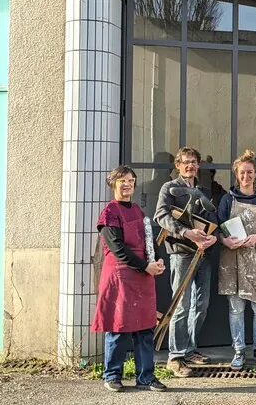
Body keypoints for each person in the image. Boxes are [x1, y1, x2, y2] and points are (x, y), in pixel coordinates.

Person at [91, 166, 167, 393]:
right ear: (113, 184)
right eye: (123, 181)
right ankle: (112, 375)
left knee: (145, 329)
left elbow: (149, 240)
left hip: (143, 277)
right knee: (118, 327)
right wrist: (145, 266)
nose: (127, 185)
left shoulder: (138, 211)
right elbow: (117, 248)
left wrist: (158, 260)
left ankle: (146, 376)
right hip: (120, 276)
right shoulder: (109, 213)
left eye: (131, 180)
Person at [154, 147, 218, 377]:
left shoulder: (203, 190)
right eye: (186, 162)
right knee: (182, 305)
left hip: (203, 254)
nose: (190, 166)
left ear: (198, 165)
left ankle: (190, 349)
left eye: (194, 162)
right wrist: (185, 233)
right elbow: (160, 216)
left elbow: (213, 220)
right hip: (181, 253)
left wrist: (212, 237)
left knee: (200, 305)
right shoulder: (169, 188)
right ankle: (175, 356)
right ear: (178, 165)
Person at [217, 149, 256, 370]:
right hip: (232, 258)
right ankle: (239, 350)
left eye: (250, 172)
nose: (246, 176)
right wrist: (225, 241)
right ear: (237, 174)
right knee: (236, 309)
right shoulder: (227, 199)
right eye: (242, 172)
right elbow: (218, 227)